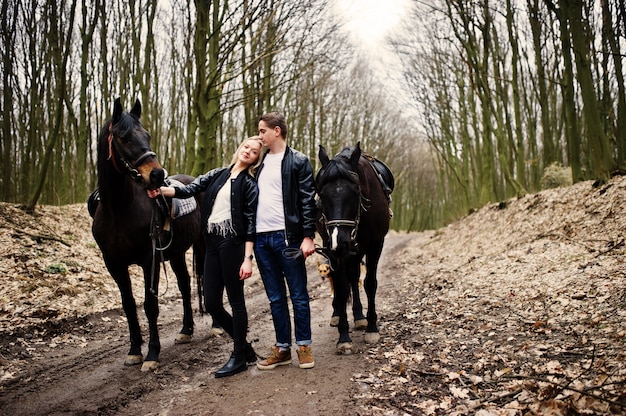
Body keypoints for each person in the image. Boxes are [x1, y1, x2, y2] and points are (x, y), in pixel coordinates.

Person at [147, 136, 263, 378]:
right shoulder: (218, 173)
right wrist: (162, 191)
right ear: (239, 147)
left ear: (256, 159)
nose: (248, 152)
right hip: (211, 241)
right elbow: (189, 189)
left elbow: (251, 224)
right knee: (211, 303)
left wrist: (248, 258)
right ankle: (246, 348)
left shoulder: (250, 185)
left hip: (233, 244)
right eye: (246, 147)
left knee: (236, 301)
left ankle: (238, 356)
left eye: (254, 152)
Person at [254, 112, 317, 370]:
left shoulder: (298, 161)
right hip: (260, 240)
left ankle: (303, 346)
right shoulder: (258, 163)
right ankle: (282, 349)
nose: (259, 136)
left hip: (288, 238)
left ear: (276, 131)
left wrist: (308, 236)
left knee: (299, 295)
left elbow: (306, 201)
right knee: (275, 298)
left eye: (262, 131)